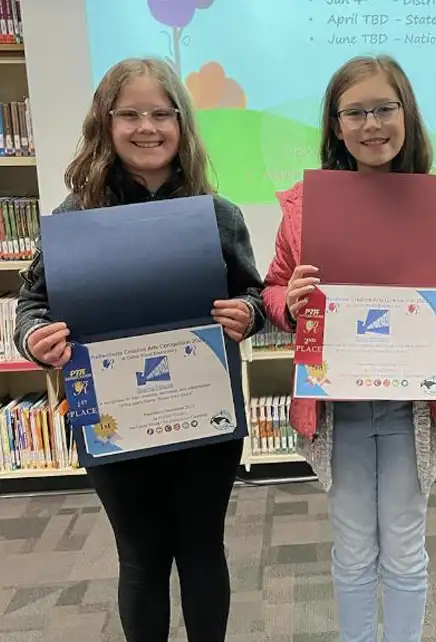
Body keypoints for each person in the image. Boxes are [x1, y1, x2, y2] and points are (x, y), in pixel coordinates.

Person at [13, 57, 265, 642]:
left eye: (160, 113)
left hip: (202, 414)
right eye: (129, 114)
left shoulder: (217, 215)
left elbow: (252, 293)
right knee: (142, 557)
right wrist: (35, 339)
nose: (146, 127)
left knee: (203, 552)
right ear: (105, 122)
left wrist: (247, 313)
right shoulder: (75, 217)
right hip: (116, 419)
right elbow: (31, 307)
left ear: (182, 124)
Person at [262, 54, 436, 641]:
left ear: (406, 115)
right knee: (352, 545)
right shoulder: (304, 211)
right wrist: (288, 301)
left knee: (406, 545)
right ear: (336, 126)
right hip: (336, 407)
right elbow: (272, 289)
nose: (372, 124)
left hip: (410, 409)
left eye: (384, 109)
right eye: (356, 112)